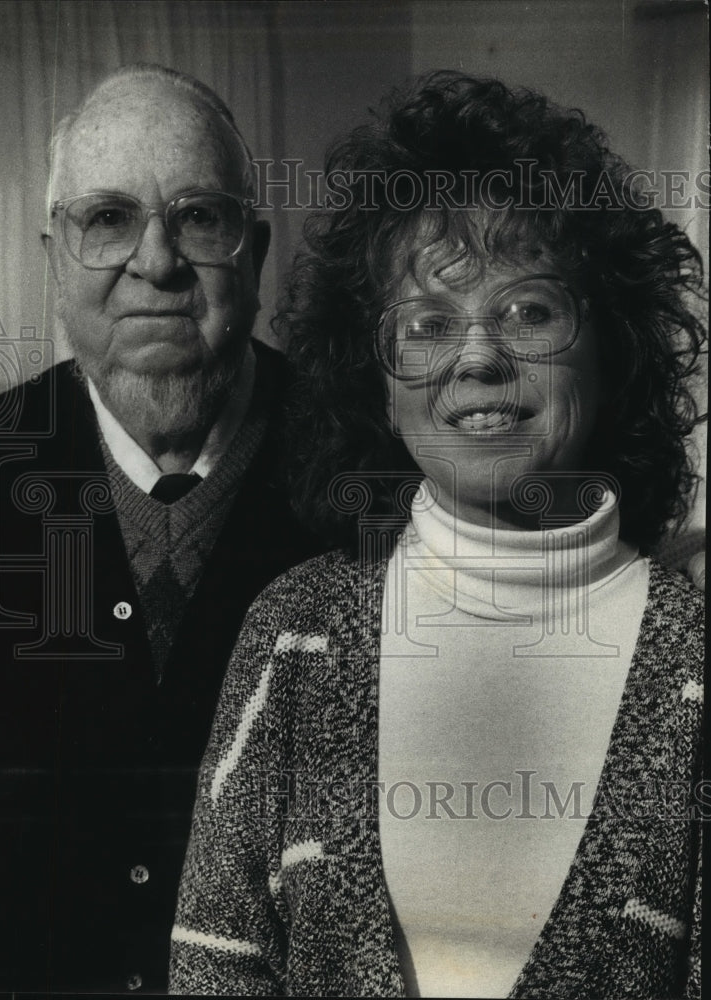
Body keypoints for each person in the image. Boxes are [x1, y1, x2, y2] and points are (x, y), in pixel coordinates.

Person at [170, 72, 705, 998]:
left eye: (528, 310)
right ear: (374, 373)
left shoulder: (695, 663)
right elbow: (212, 970)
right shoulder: (293, 636)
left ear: (610, 344)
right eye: (426, 322)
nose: (477, 356)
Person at [0, 64, 320, 993]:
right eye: (108, 219)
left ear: (252, 249)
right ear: (54, 255)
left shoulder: (366, 475)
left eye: (197, 217)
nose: (156, 262)